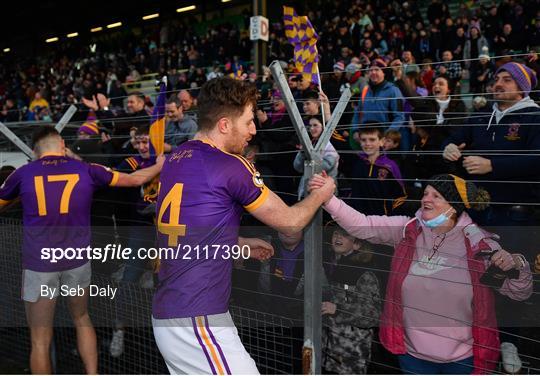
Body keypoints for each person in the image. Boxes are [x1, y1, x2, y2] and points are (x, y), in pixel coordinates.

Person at [151, 77, 335, 375]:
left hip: (173, 312)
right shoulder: (230, 164)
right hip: (198, 319)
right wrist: (321, 195)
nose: (254, 130)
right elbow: (290, 223)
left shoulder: (176, 158)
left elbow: (187, 227)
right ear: (224, 124)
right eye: (249, 121)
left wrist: (239, 244)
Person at [310, 173, 533, 374]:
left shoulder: (480, 245)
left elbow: (519, 294)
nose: (426, 199)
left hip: (463, 361)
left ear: (453, 206)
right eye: (425, 193)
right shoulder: (407, 231)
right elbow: (362, 225)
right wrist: (328, 198)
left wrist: (517, 264)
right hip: (412, 356)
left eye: (436, 196)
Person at [0, 126, 164, 374]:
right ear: (62, 145)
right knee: (81, 318)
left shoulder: (23, 174)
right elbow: (136, 179)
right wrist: (160, 164)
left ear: (35, 151)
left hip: (40, 264)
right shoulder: (87, 170)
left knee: (40, 339)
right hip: (76, 261)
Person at [322, 224, 381, 375]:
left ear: (357, 244)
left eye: (345, 234)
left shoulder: (364, 274)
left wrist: (338, 309)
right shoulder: (332, 266)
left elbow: (372, 315)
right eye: (336, 233)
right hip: (328, 347)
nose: (338, 237)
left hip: (351, 353)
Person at [350, 126, 407, 216]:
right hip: (358, 218)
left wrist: (392, 216)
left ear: (381, 141)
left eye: (372, 139)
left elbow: (401, 196)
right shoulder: (356, 162)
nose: (367, 143)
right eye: (363, 140)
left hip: (382, 219)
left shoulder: (390, 166)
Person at [350, 59, 405, 150]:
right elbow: (357, 113)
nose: (373, 72)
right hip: (365, 141)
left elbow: (399, 117)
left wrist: (387, 136)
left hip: (384, 142)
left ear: (383, 73)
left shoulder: (393, 90)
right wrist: (355, 130)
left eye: (377, 70)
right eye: (371, 70)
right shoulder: (365, 91)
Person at [294, 115, 339, 200]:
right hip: (307, 190)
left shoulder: (330, 145)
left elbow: (326, 165)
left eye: (315, 125)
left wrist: (308, 163)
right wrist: (302, 153)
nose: (311, 128)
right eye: (310, 126)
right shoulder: (310, 144)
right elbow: (297, 167)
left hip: (325, 194)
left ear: (323, 127)